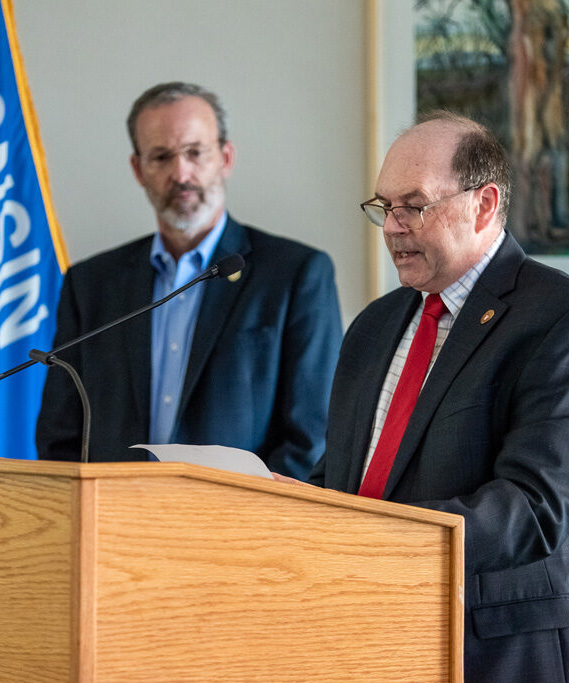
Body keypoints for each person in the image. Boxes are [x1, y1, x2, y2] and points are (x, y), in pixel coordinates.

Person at [308, 111, 569, 681]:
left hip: (496, 651)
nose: (393, 226)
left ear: (483, 204)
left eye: (415, 205)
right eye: (384, 207)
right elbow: (346, 478)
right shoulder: (373, 326)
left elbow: (534, 509)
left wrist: (370, 539)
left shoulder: (566, 319)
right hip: (366, 636)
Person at [35, 82, 342, 479]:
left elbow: (312, 436)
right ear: (137, 169)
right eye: (161, 157)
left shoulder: (296, 274)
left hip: (238, 527)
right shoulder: (90, 284)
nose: (181, 173)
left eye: (195, 153)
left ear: (225, 158)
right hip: (111, 526)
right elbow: (60, 437)